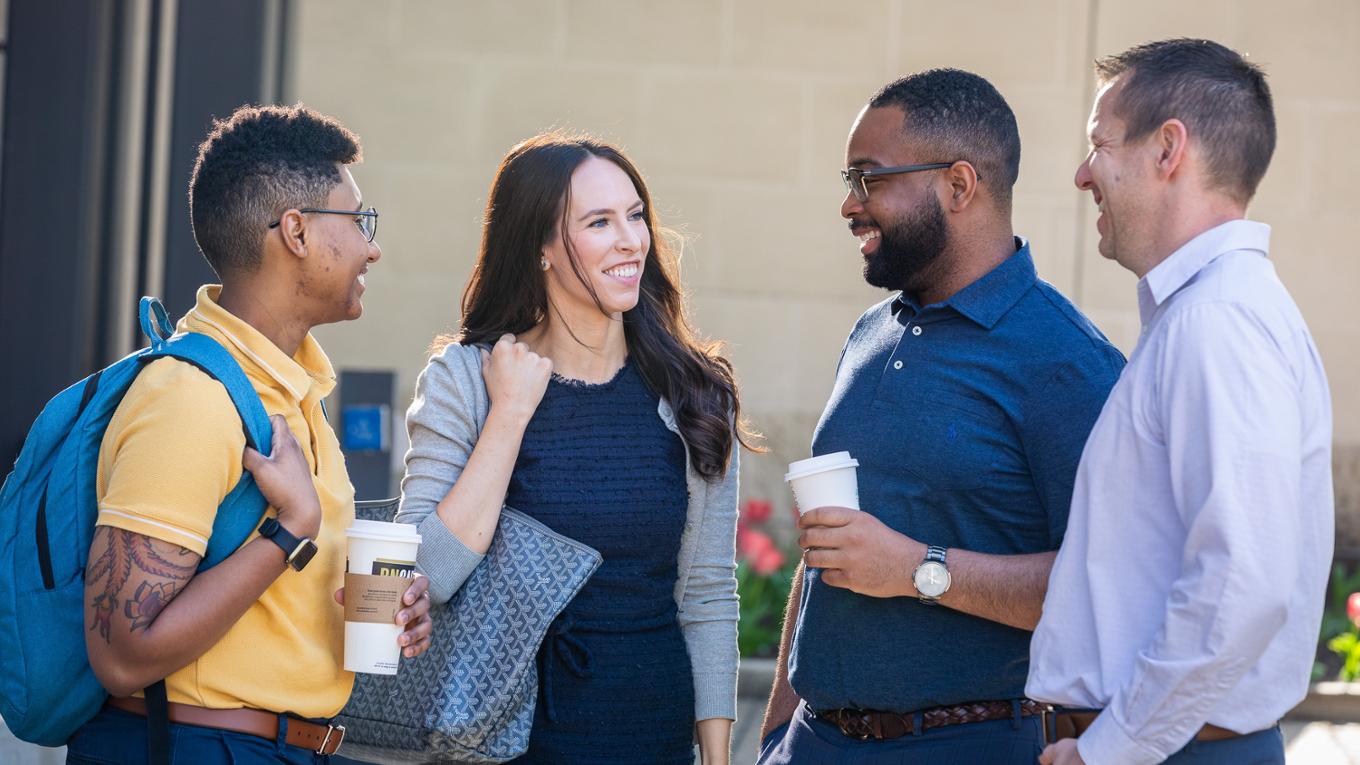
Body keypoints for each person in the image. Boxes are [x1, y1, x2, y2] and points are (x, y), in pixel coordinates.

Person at [757, 69, 1125, 764]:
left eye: (869, 179)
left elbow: (1106, 584)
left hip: (971, 743)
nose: (848, 204)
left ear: (958, 185)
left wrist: (918, 568)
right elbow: (823, 560)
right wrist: (777, 733)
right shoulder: (872, 330)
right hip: (812, 743)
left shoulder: (1069, 364)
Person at [67, 104, 433, 765]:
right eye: (359, 222)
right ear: (295, 231)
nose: (372, 247)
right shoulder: (189, 397)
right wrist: (289, 529)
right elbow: (122, 654)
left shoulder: (298, 394)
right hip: (193, 746)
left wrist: (390, 608)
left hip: (283, 745)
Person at [396, 133, 753, 765]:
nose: (630, 240)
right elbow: (427, 575)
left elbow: (706, 595)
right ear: (541, 249)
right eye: (598, 222)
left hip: (654, 740)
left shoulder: (694, 394)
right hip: (504, 747)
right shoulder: (467, 380)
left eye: (635, 215)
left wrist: (718, 760)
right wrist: (509, 413)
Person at [1028, 38, 1334, 765]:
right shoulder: (1211, 312)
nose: (1081, 173)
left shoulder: (1216, 321)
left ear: (1169, 149)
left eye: (1099, 143)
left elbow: (1242, 579)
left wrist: (1110, 746)